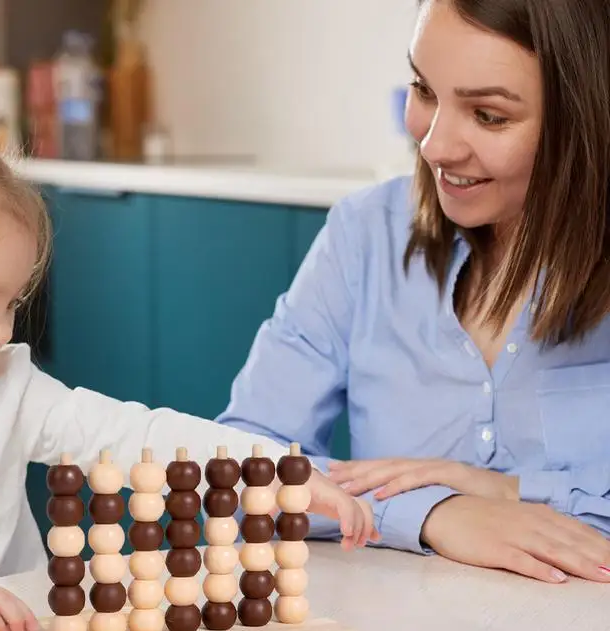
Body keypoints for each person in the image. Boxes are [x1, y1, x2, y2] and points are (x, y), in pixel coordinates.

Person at [0, 118, 376, 631]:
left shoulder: (7, 387)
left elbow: (138, 437)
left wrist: (273, 469)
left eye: (12, 304)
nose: (0, 335)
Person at [217, 0, 610, 585]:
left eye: (489, 116)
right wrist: (433, 512)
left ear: (582, 119)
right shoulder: (364, 236)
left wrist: (511, 490)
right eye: (424, 90)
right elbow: (234, 472)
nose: (435, 146)